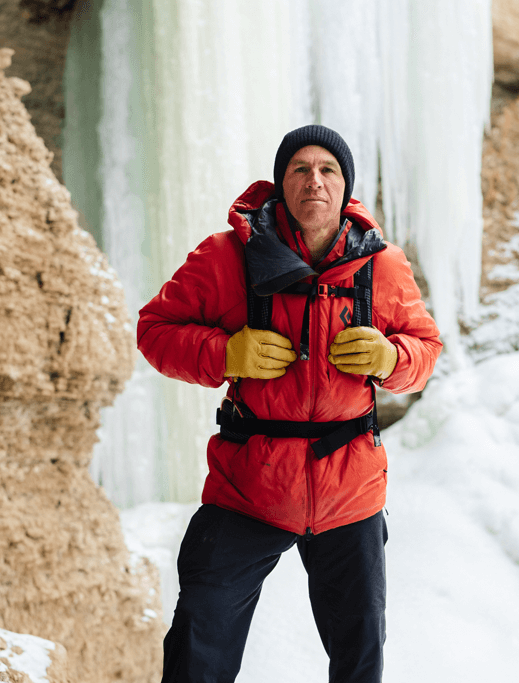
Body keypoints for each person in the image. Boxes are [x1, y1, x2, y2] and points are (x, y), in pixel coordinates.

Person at [137, 125, 442, 683]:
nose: (314, 181)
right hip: (247, 487)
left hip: (349, 492)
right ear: (281, 183)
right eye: (300, 169)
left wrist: (389, 357)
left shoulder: (382, 266)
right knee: (198, 645)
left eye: (327, 169)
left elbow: (425, 349)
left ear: (345, 185)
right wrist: (227, 352)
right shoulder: (228, 256)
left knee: (359, 657)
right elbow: (155, 330)